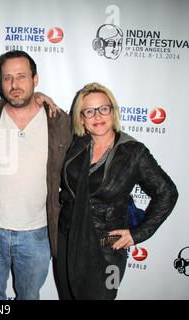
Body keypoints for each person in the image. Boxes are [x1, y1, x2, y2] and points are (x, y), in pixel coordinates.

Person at [57, 82, 178, 299]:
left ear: (113, 111)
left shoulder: (133, 152)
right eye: (89, 111)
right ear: (81, 118)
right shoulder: (78, 143)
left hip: (107, 248)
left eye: (104, 108)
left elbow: (167, 192)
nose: (98, 116)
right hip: (68, 240)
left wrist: (137, 233)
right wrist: (40, 98)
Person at [0, 50, 72, 300]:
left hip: (37, 234)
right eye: (7, 78)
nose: (14, 84)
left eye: (21, 76)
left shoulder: (59, 122)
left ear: (35, 79)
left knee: (29, 297)